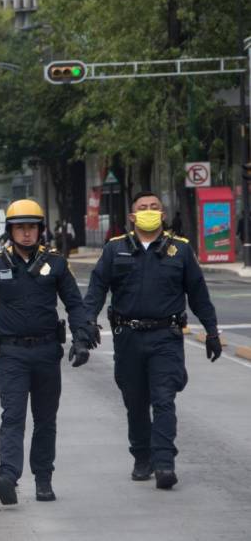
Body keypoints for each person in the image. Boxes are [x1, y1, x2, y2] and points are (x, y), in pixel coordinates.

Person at [0, 199, 97, 505]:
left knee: (45, 419)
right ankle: (7, 478)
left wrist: (81, 338)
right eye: (20, 227)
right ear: (10, 230)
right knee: (12, 416)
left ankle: (44, 479)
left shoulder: (57, 264)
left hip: (48, 351)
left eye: (31, 227)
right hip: (12, 354)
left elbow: (75, 304)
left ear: (40, 230)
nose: (26, 233)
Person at [84, 191, 220, 491]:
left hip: (165, 338)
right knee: (135, 403)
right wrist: (87, 322)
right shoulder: (115, 249)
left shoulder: (180, 251)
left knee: (163, 399)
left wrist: (212, 331)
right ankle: (141, 457)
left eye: (154, 207)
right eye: (142, 208)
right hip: (127, 337)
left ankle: (164, 463)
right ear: (132, 217)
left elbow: (198, 294)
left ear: (163, 214)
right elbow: (96, 289)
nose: (149, 211)